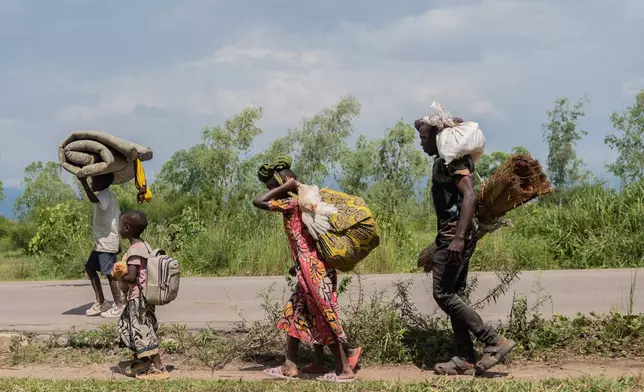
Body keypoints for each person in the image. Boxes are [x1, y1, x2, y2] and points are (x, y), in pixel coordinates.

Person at [415, 116, 515, 376]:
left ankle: (494, 340)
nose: (421, 142)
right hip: (451, 236)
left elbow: (469, 195)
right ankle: (465, 357)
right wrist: (437, 121)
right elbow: (419, 122)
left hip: (454, 238)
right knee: (455, 294)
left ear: (438, 138)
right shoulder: (445, 160)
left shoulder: (453, 162)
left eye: (424, 137)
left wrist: (458, 238)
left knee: (443, 294)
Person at [252, 157, 360, 383]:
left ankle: (345, 370)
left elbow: (258, 202)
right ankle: (290, 366)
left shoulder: (291, 204)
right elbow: (309, 241)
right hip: (309, 266)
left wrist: (285, 188)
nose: (272, 192)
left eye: (273, 187)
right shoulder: (301, 207)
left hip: (313, 270)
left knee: (323, 314)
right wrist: (297, 264)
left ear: (288, 183)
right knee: (296, 311)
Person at [114, 210, 169, 380]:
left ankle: (158, 366)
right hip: (146, 296)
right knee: (126, 324)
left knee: (143, 330)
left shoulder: (133, 251)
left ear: (127, 228)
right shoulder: (145, 245)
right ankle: (142, 359)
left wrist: (117, 274)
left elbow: (132, 277)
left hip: (138, 298)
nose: (119, 229)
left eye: (121, 226)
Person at [78, 172, 124, 318]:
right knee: (90, 268)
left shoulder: (105, 195)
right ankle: (101, 301)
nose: (92, 182)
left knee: (110, 274)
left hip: (106, 242)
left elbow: (92, 198)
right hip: (102, 242)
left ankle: (119, 305)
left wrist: (83, 182)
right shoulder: (108, 196)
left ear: (103, 183)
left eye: (93, 180)